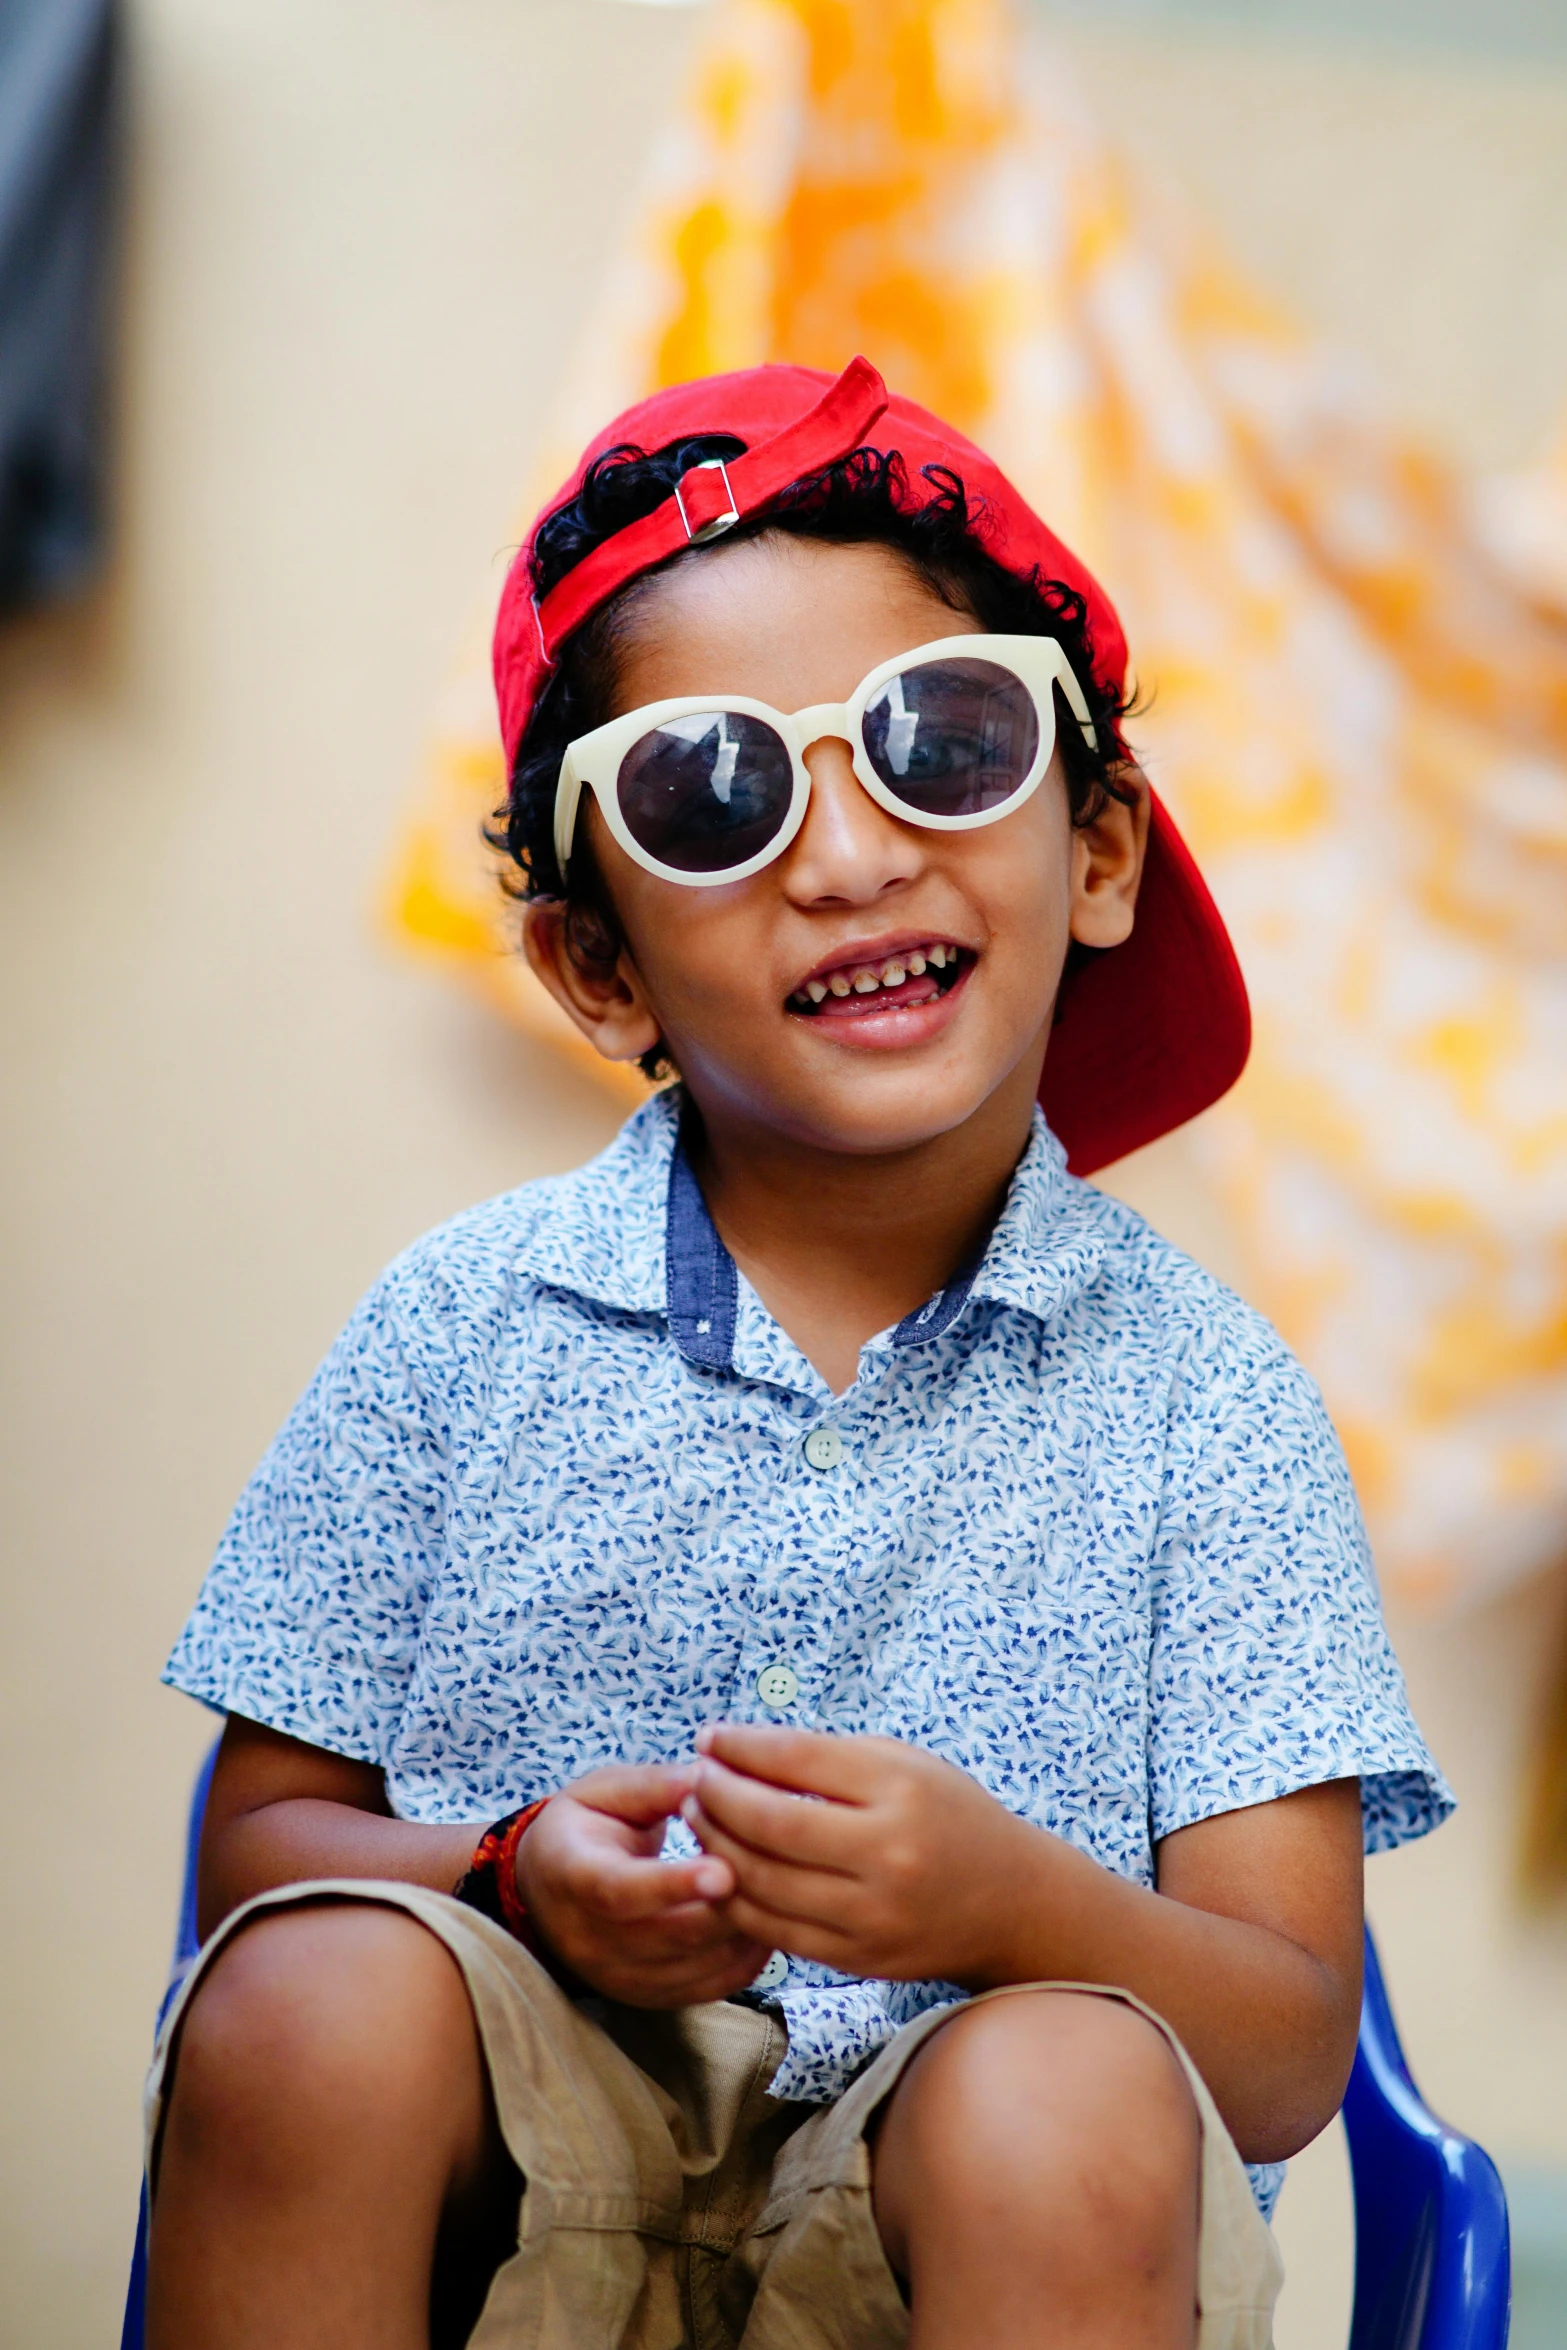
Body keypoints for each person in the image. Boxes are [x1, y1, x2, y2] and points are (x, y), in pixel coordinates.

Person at [144, 357, 1450, 2350]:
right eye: (710, 787)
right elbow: (262, 1849)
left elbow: (1280, 2048)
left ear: (1098, 852)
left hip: (979, 2234)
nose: (846, 857)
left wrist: (1013, 1904)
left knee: (1071, 2079)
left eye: (940, 740)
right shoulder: (455, 1326)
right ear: (598, 962)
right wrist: (508, 1868)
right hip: (510, 2218)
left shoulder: (1215, 1404)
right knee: (312, 1989)